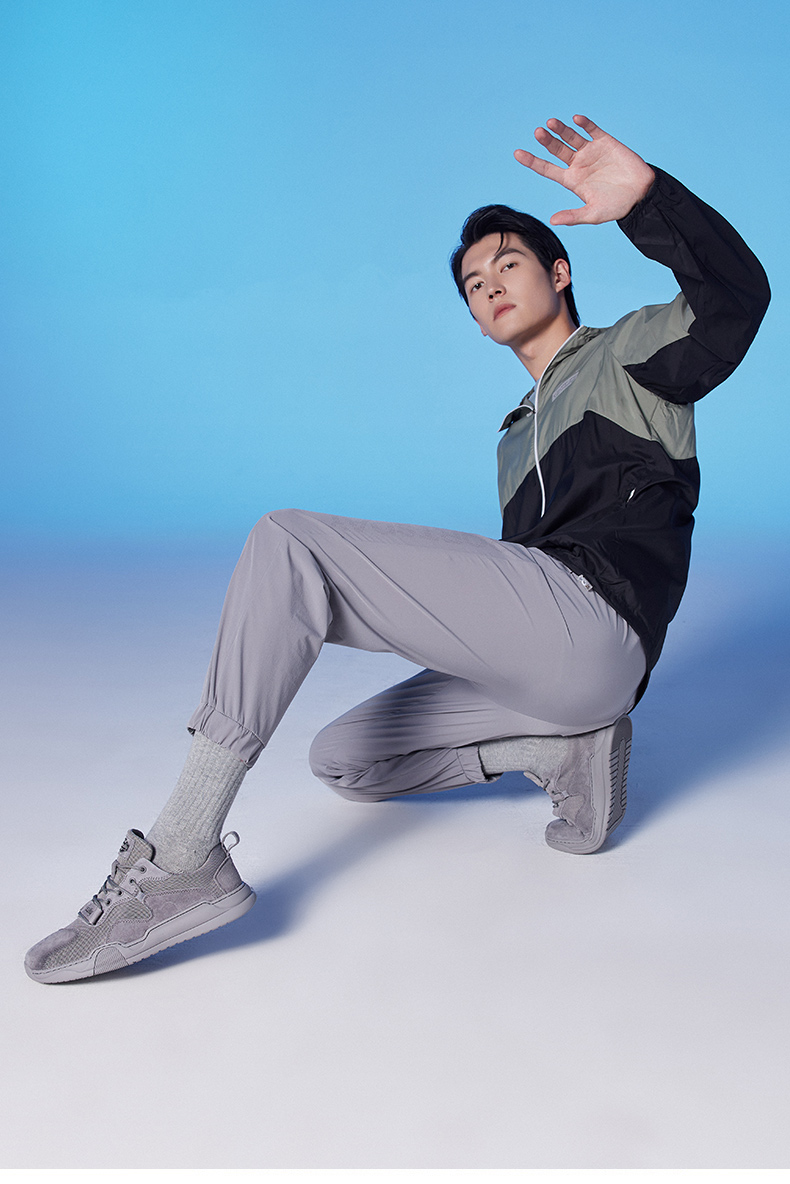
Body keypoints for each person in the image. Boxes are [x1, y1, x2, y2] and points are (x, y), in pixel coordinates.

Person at [25, 115, 770, 984]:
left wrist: (647, 200)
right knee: (344, 759)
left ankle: (181, 856)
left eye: (508, 265)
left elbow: (736, 297)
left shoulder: (628, 356)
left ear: (560, 272)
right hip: (558, 667)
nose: (489, 286)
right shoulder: (512, 437)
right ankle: (562, 752)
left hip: (599, 619)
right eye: (474, 284)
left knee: (289, 544)